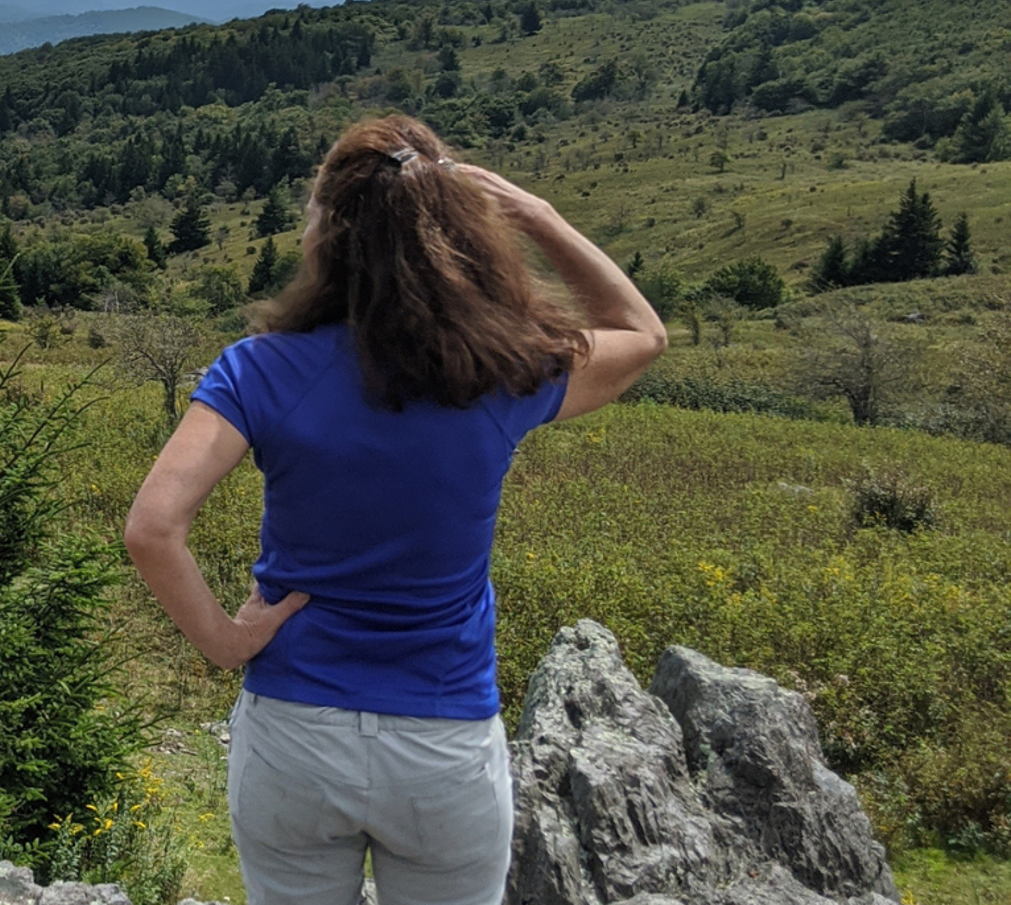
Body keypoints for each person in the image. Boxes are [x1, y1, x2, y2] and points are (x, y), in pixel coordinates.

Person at [124, 116, 666, 905]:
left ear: (327, 236)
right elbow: (642, 334)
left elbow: (152, 527)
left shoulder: (261, 369)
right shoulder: (501, 372)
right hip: (442, 743)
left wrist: (225, 641)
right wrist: (538, 215)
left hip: (292, 733)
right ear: (456, 229)